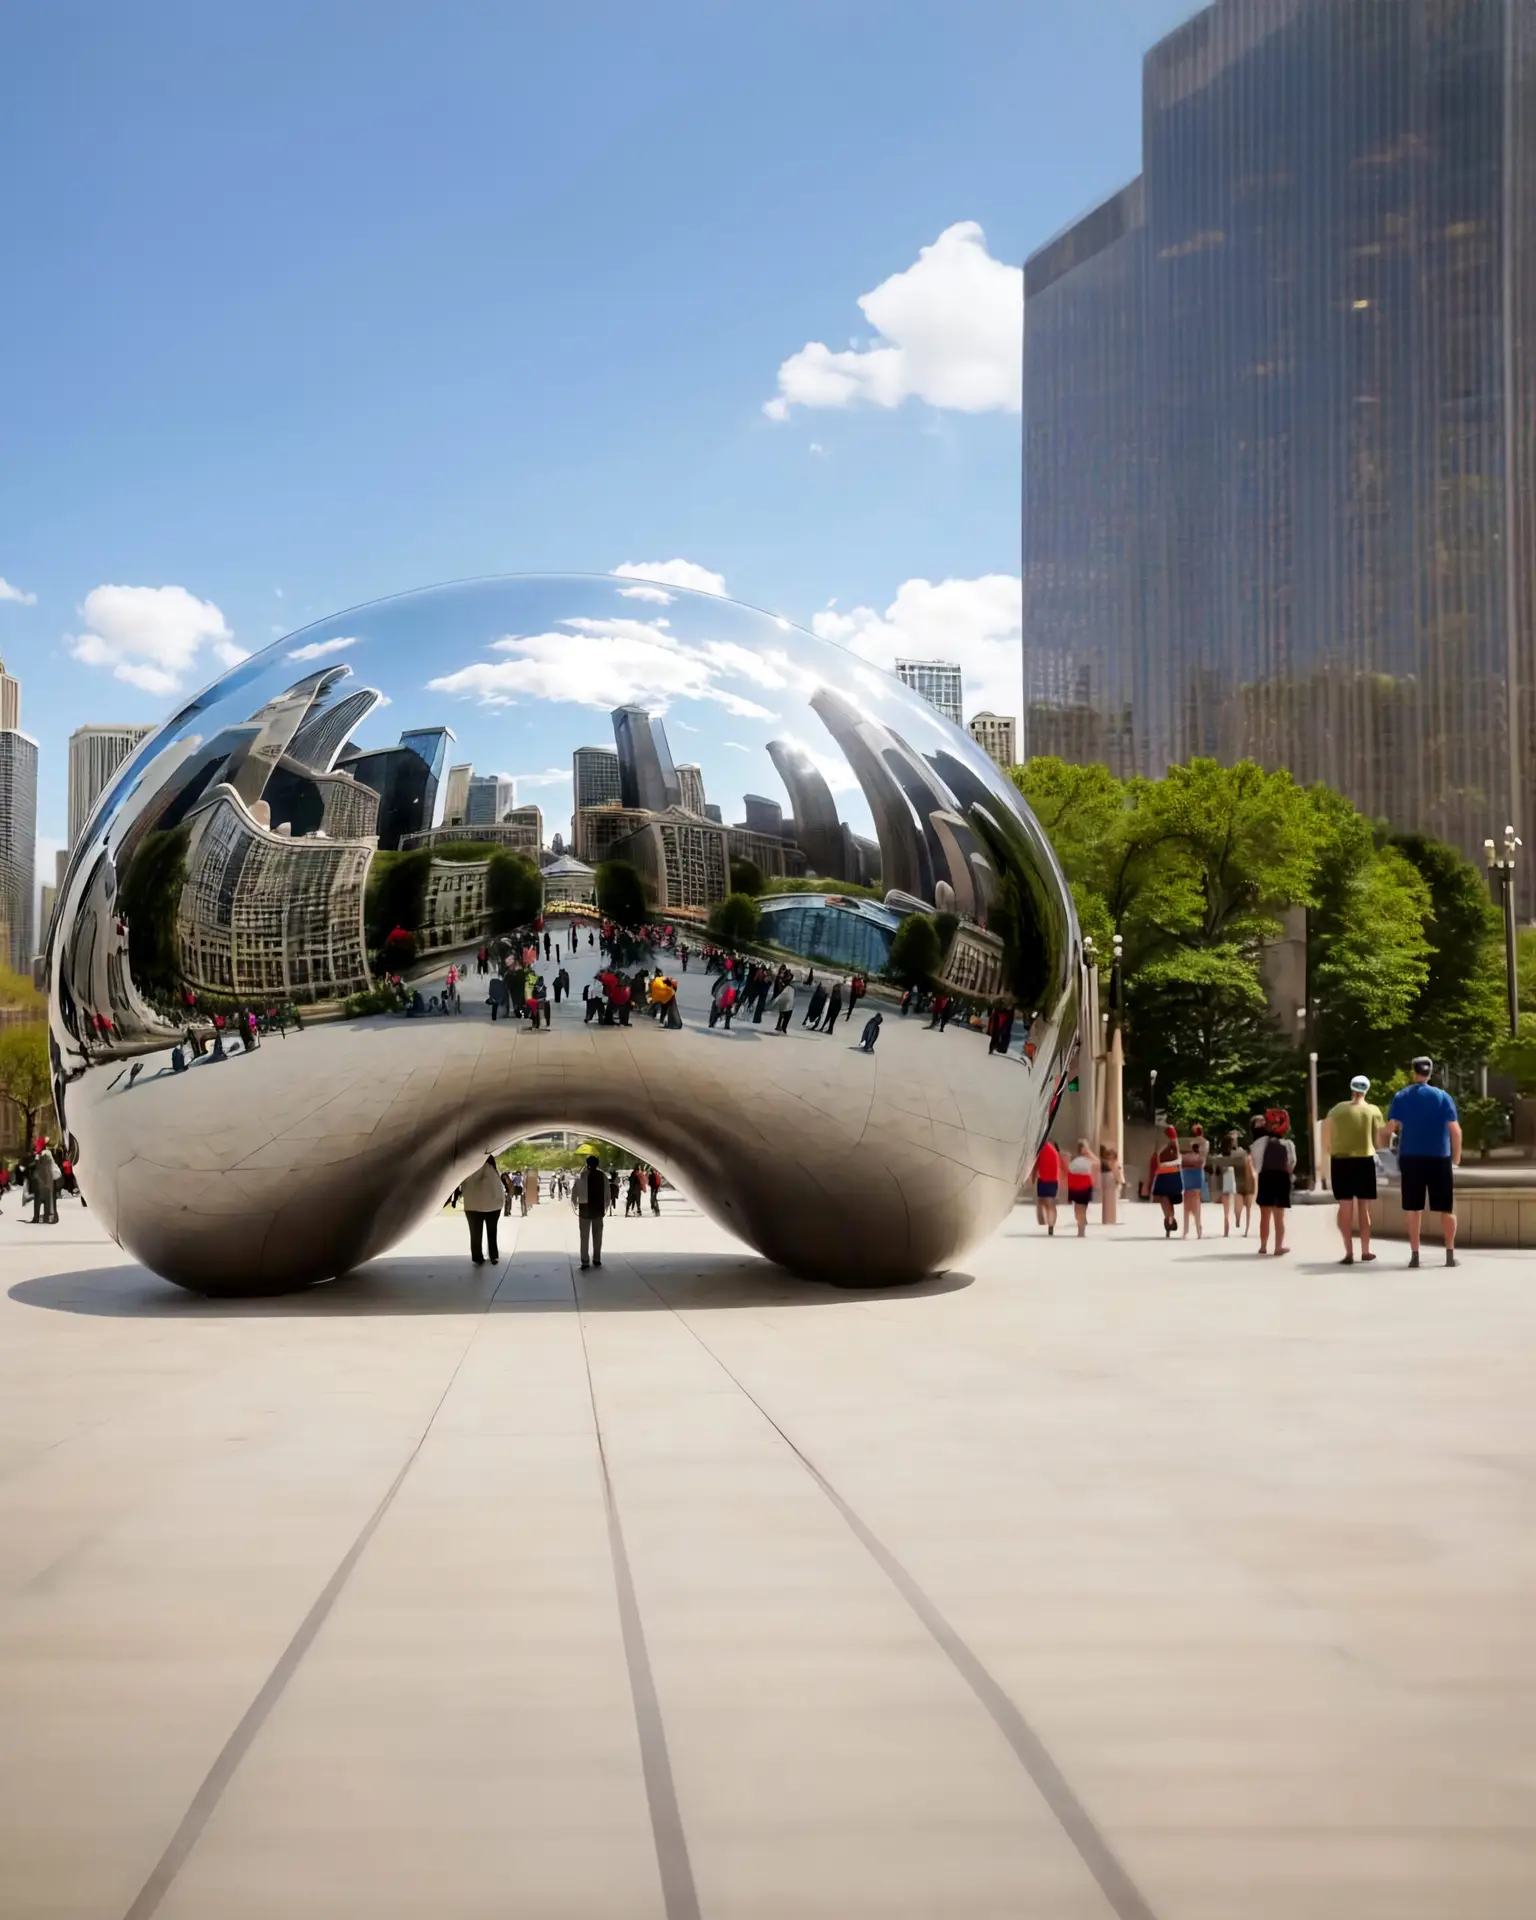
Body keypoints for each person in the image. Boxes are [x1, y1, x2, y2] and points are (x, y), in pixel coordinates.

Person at [1386, 1057, 1461, 1268]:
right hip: (1440, 1157)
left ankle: (1415, 1255)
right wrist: (1456, 1160)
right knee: (1447, 1208)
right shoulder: (1443, 1097)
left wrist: (1382, 1143)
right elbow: (1455, 1131)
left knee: (1414, 1208)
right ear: (1430, 1073)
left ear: (1414, 1072)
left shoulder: (1402, 1096)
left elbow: (1391, 1127)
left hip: (1411, 1157)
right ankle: (1449, 1254)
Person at [1324, 1074, 1386, 1264]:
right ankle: (1365, 1251)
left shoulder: (1336, 1110)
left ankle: (1348, 1252)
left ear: (1352, 1089)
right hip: (1365, 1161)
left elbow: (1326, 1138)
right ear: (1366, 1090)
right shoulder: (1373, 1111)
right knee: (1364, 1210)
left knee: (1345, 1209)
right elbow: (1380, 1142)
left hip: (1341, 1161)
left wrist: (1332, 1150)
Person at [1255, 1110, 1296, 1256]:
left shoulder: (1261, 1143)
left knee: (1264, 1214)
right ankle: (1278, 1247)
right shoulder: (1289, 1144)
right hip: (1282, 1178)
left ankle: (1263, 1246)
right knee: (1279, 1216)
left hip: (1265, 1176)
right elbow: (1291, 1164)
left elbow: (1256, 1163)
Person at [461, 1154, 505, 1264]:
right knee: (492, 1232)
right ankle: (493, 1255)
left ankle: (477, 1256)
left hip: (472, 1206)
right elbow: (498, 1190)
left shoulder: (469, 1169)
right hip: (493, 1207)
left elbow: (463, 1186)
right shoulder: (492, 1171)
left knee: (475, 1233)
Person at [573, 1153, 606, 1269]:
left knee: (584, 1237)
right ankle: (597, 1258)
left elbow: (574, 1192)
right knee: (597, 1236)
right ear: (597, 1164)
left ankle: (585, 1261)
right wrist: (605, 1207)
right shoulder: (602, 1176)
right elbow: (607, 1193)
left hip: (584, 1209)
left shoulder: (581, 1176)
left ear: (587, 1165)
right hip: (598, 1209)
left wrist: (575, 1203)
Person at [1207, 1132, 1242, 1238]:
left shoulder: (1220, 1157)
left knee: (1226, 1208)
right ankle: (1237, 1218)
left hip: (1223, 1179)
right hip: (1233, 1178)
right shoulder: (1236, 1156)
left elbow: (1216, 1172)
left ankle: (1226, 1227)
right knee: (1236, 1201)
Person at [1180, 1123, 1208, 1240]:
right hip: (1196, 1170)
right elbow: (1203, 1158)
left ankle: (1188, 1229)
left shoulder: (1189, 1143)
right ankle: (1197, 1228)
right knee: (1195, 1199)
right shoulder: (1205, 1143)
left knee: (1188, 1199)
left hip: (1189, 1170)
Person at [1151, 1134, 1183, 1235]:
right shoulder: (1177, 1154)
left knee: (1164, 1199)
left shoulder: (1162, 1150)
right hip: (1175, 1176)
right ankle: (1170, 1218)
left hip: (1163, 1176)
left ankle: (1169, 1218)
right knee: (1171, 1199)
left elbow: (1157, 1160)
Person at [1066, 1139, 1097, 1237]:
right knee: (1081, 1209)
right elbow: (1098, 1163)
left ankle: (1081, 1230)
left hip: (1078, 1187)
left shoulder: (1074, 1161)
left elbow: (1069, 1174)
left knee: (1079, 1209)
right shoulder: (1087, 1161)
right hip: (1083, 1186)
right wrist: (1090, 1153)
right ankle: (1081, 1227)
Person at [1032, 1138, 1061, 1235]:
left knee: (1042, 1201)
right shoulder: (1053, 1150)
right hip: (1053, 1181)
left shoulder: (1040, 1150)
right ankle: (1051, 1224)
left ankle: (1043, 1222)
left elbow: (1035, 1165)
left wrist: (1032, 1178)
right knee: (1051, 1203)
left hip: (1043, 1180)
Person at [1098, 1143, 1122, 1225]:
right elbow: (1117, 1174)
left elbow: (1117, 1174)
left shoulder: (1110, 1164)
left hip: (1110, 1183)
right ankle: (1110, 1219)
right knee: (1110, 1203)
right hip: (1111, 1183)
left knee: (1108, 1203)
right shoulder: (1114, 1164)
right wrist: (1120, 1182)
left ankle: (1108, 1219)